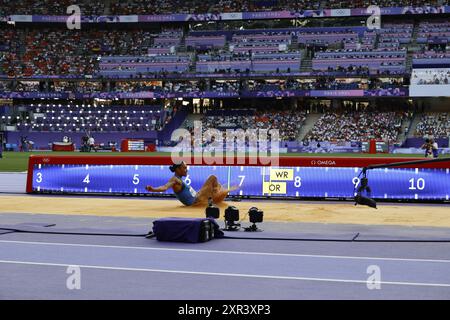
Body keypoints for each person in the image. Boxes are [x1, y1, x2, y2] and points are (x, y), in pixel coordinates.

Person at [145, 161, 236, 206]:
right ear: (178, 169)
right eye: (184, 168)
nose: (186, 170)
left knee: (218, 185)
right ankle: (213, 200)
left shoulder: (179, 179)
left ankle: (213, 200)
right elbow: (164, 187)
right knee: (213, 178)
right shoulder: (175, 180)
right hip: (196, 201)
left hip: (197, 196)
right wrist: (152, 189)